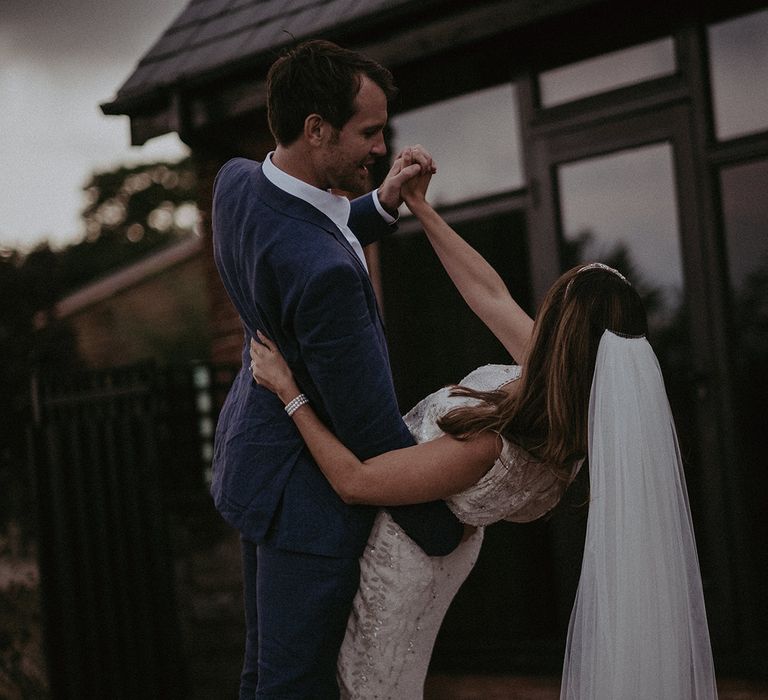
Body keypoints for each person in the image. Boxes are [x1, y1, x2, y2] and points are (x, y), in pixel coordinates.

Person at [249, 163, 719, 698]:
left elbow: (355, 481)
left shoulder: (494, 443)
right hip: (444, 549)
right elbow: (487, 293)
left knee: (367, 686)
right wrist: (422, 207)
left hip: (404, 562)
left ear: (561, 336)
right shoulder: (578, 397)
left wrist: (290, 392)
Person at [210, 40, 464, 699]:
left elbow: (305, 234)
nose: (382, 146)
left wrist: (382, 203)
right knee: (294, 687)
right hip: (306, 508)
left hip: (254, 459)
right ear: (316, 129)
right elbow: (373, 431)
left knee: (260, 675)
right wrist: (448, 528)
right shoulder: (324, 277)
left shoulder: (238, 184)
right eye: (370, 132)